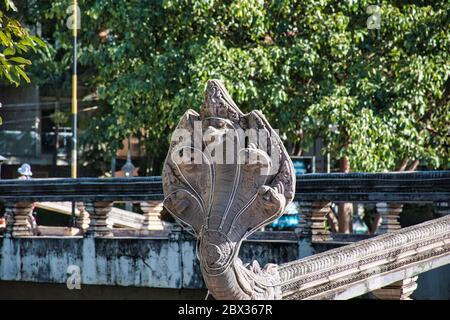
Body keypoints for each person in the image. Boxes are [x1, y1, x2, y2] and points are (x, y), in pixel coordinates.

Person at [17, 164, 38, 234]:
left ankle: (28, 231)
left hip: (22, 203)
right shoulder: (31, 181)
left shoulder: (19, 180)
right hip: (29, 203)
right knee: (29, 218)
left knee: (23, 218)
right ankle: (32, 231)